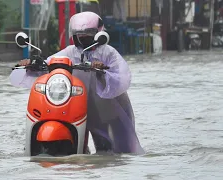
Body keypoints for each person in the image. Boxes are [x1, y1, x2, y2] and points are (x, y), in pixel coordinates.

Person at [9, 11, 144, 154]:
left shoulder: (108, 53)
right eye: (79, 34)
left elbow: (121, 76)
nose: (83, 37)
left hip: (107, 106)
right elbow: (51, 62)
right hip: (78, 101)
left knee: (111, 150)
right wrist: (32, 64)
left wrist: (102, 70)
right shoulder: (70, 52)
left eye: (88, 33)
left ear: (99, 33)